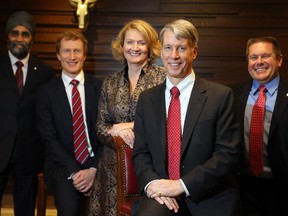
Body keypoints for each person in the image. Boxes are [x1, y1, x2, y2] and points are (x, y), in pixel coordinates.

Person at [131, 19, 241, 216]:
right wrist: (152, 185)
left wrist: (181, 185)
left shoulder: (220, 96)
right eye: (168, 48)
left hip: (208, 195)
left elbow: (227, 154)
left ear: (194, 52)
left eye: (181, 48)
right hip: (162, 194)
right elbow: (141, 153)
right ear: (161, 52)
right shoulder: (147, 99)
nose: (174, 56)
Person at [88, 19, 166, 215]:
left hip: (152, 167)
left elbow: (168, 119)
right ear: (121, 46)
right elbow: (100, 127)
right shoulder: (110, 82)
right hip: (112, 168)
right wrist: (116, 133)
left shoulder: (163, 77)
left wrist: (127, 126)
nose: (135, 47)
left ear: (150, 46)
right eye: (130, 42)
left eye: (141, 42)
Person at [36, 31, 103, 216]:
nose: (72, 57)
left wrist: (92, 168)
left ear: (84, 55)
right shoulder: (46, 93)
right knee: (69, 211)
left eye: (77, 51)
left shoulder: (100, 88)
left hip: (96, 163)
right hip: (62, 165)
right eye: (66, 51)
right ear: (58, 55)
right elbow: (48, 138)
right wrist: (75, 173)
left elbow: (107, 133)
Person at [0, 10, 55, 216]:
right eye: (15, 33)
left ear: (32, 39)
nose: (19, 38)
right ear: (8, 36)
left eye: (25, 34)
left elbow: (47, 115)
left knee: (24, 210)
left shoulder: (44, 72)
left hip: (29, 153)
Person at [232, 36, 288, 216]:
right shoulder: (231, 94)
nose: (259, 62)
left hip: (281, 187)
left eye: (266, 56)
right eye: (253, 57)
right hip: (242, 187)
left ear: (279, 60)